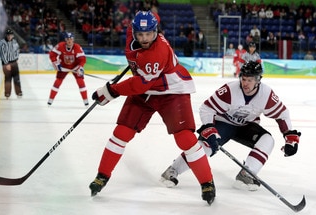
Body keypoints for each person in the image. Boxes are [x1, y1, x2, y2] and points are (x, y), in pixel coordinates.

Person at [89, 11, 216, 205]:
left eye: (149, 34)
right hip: (146, 90)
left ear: (155, 31)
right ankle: (102, 176)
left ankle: (207, 182)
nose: (144, 38)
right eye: (140, 34)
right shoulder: (133, 34)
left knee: (185, 138)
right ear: (134, 31)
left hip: (171, 90)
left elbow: (139, 85)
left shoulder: (157, 52)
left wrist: (110, 91)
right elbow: (153, 16)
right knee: (121, 133)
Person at [160, 61, 301, 191]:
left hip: (246, 126)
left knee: (267, 140)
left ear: (258, 80)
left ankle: (246, 174)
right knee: (205, 147)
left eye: (250, 80)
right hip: (223, 123)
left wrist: (290, 138)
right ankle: (172, 170)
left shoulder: (266, 94)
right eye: (243, 79)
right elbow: (207, 108)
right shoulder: (229, 90)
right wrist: (210, 128)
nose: (245, 83)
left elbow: (282, 114)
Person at [48, 32, 89, 106]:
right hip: (63, 68)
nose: (69, 41)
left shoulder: (77, 47)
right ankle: (50, 100)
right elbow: (52, 55)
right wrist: (56, 63)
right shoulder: (60, 46)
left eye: (71, 39)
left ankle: (86, 101)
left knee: (81, 82)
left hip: (75, 68)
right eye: (68, 39)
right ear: (65, 40)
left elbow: (82, 59)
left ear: (73, 40)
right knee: (58, 82)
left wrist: (80, 67)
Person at [0, 28, 23, 99]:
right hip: (6, 64)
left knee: (17, 78)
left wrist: (16, 58)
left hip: (14, 62)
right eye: (8, 35)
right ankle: (7, 93)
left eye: (11, 35)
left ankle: (19, 92)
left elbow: (17, 51)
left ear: (13, 36)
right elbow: (2, 54)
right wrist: (6, 64)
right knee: (8, 79)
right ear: (6, 35)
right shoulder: (2, 43)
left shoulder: (15, 42)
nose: (9, 36)